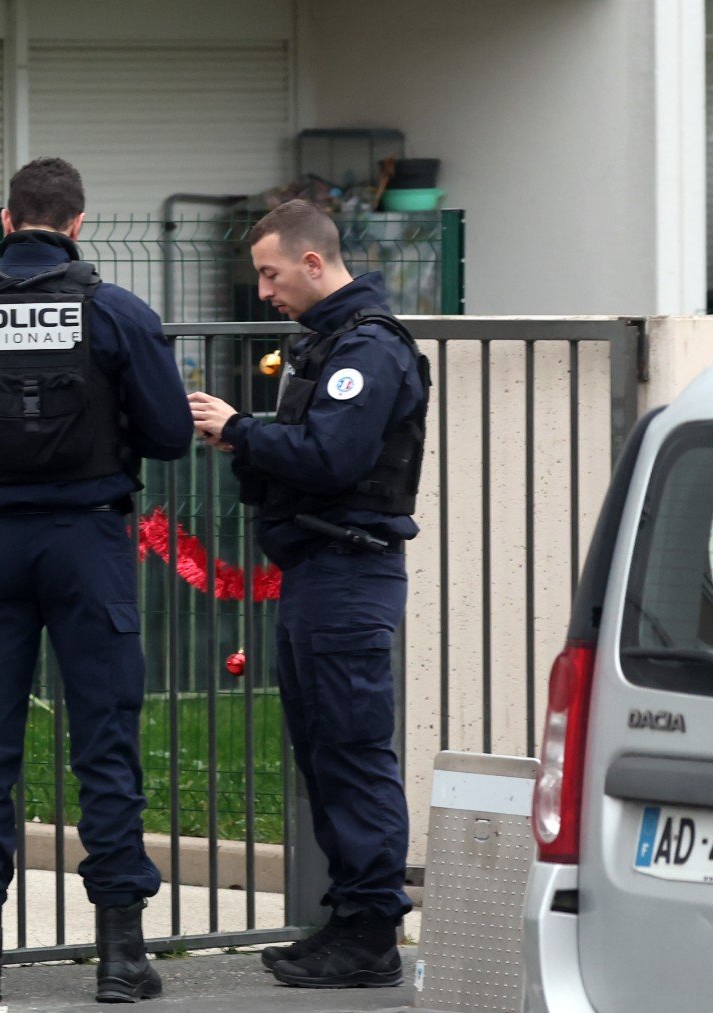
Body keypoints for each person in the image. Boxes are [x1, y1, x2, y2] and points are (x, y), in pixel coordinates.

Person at [0, 157, 193, 1003]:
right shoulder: (116, 313)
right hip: (89, 546)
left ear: (7, 219)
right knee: (105, 743)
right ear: (78, 222)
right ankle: (122, 958)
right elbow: (171, 434)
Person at [186, 198, 429, 989]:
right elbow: (302, 459)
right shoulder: (324, 346)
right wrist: (247, 440)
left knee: (353, 748)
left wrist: (242, 430)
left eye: (271, 272)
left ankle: (371, 932)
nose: (263, 290)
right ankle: (350, 917)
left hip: (349, 570)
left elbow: (331, 456)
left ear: (314, 263)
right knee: (323, 746)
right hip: (317, 571)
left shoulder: (369, 350)